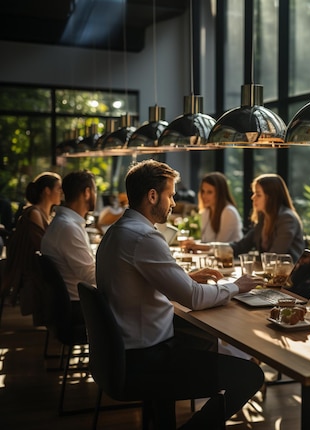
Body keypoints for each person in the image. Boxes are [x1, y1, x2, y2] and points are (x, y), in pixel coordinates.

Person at [95, 159, 264, 429]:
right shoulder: (144, 238)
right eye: (170, 195)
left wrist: (184, 278)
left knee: (205, 339)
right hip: (147, 360)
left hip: (123, 353)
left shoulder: (117, 232)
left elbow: (143, 282)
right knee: (250, 375)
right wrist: (237, 286)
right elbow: (194, 299)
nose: (173, 202)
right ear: (152, 196)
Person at [2, 172, 62, 325]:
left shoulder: (44, 214)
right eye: (58, 188)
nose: (61, 192)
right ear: (47, 191)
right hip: (31, 270)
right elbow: (43, 246)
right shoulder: (34, 213)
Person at [41, 170, 97, 324]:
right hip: (78, 308)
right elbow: (91, 275)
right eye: (95, 190)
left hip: (70, 304)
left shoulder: (64, 223)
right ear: (87, 192)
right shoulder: (68, 228)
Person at [230, 173, 305, 262]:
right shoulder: (263, 218)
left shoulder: (287, 218)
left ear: (271, 197)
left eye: (258, 194)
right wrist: (214, 247)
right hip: (270, 272)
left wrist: (252, 260)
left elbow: (276, 255)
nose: (252, 197)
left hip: (288, 273)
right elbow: (241, 246)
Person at [183, 172, 243, 251]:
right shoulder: (206, 212)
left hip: (232, 259)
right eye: (203, 191)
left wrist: (197, 246)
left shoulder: (229, 212)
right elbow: (206, 242)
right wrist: (193, 243)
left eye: (209, 192)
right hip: (214, 258)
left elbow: (220, 246)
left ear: (220, 194)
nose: (204, 196)